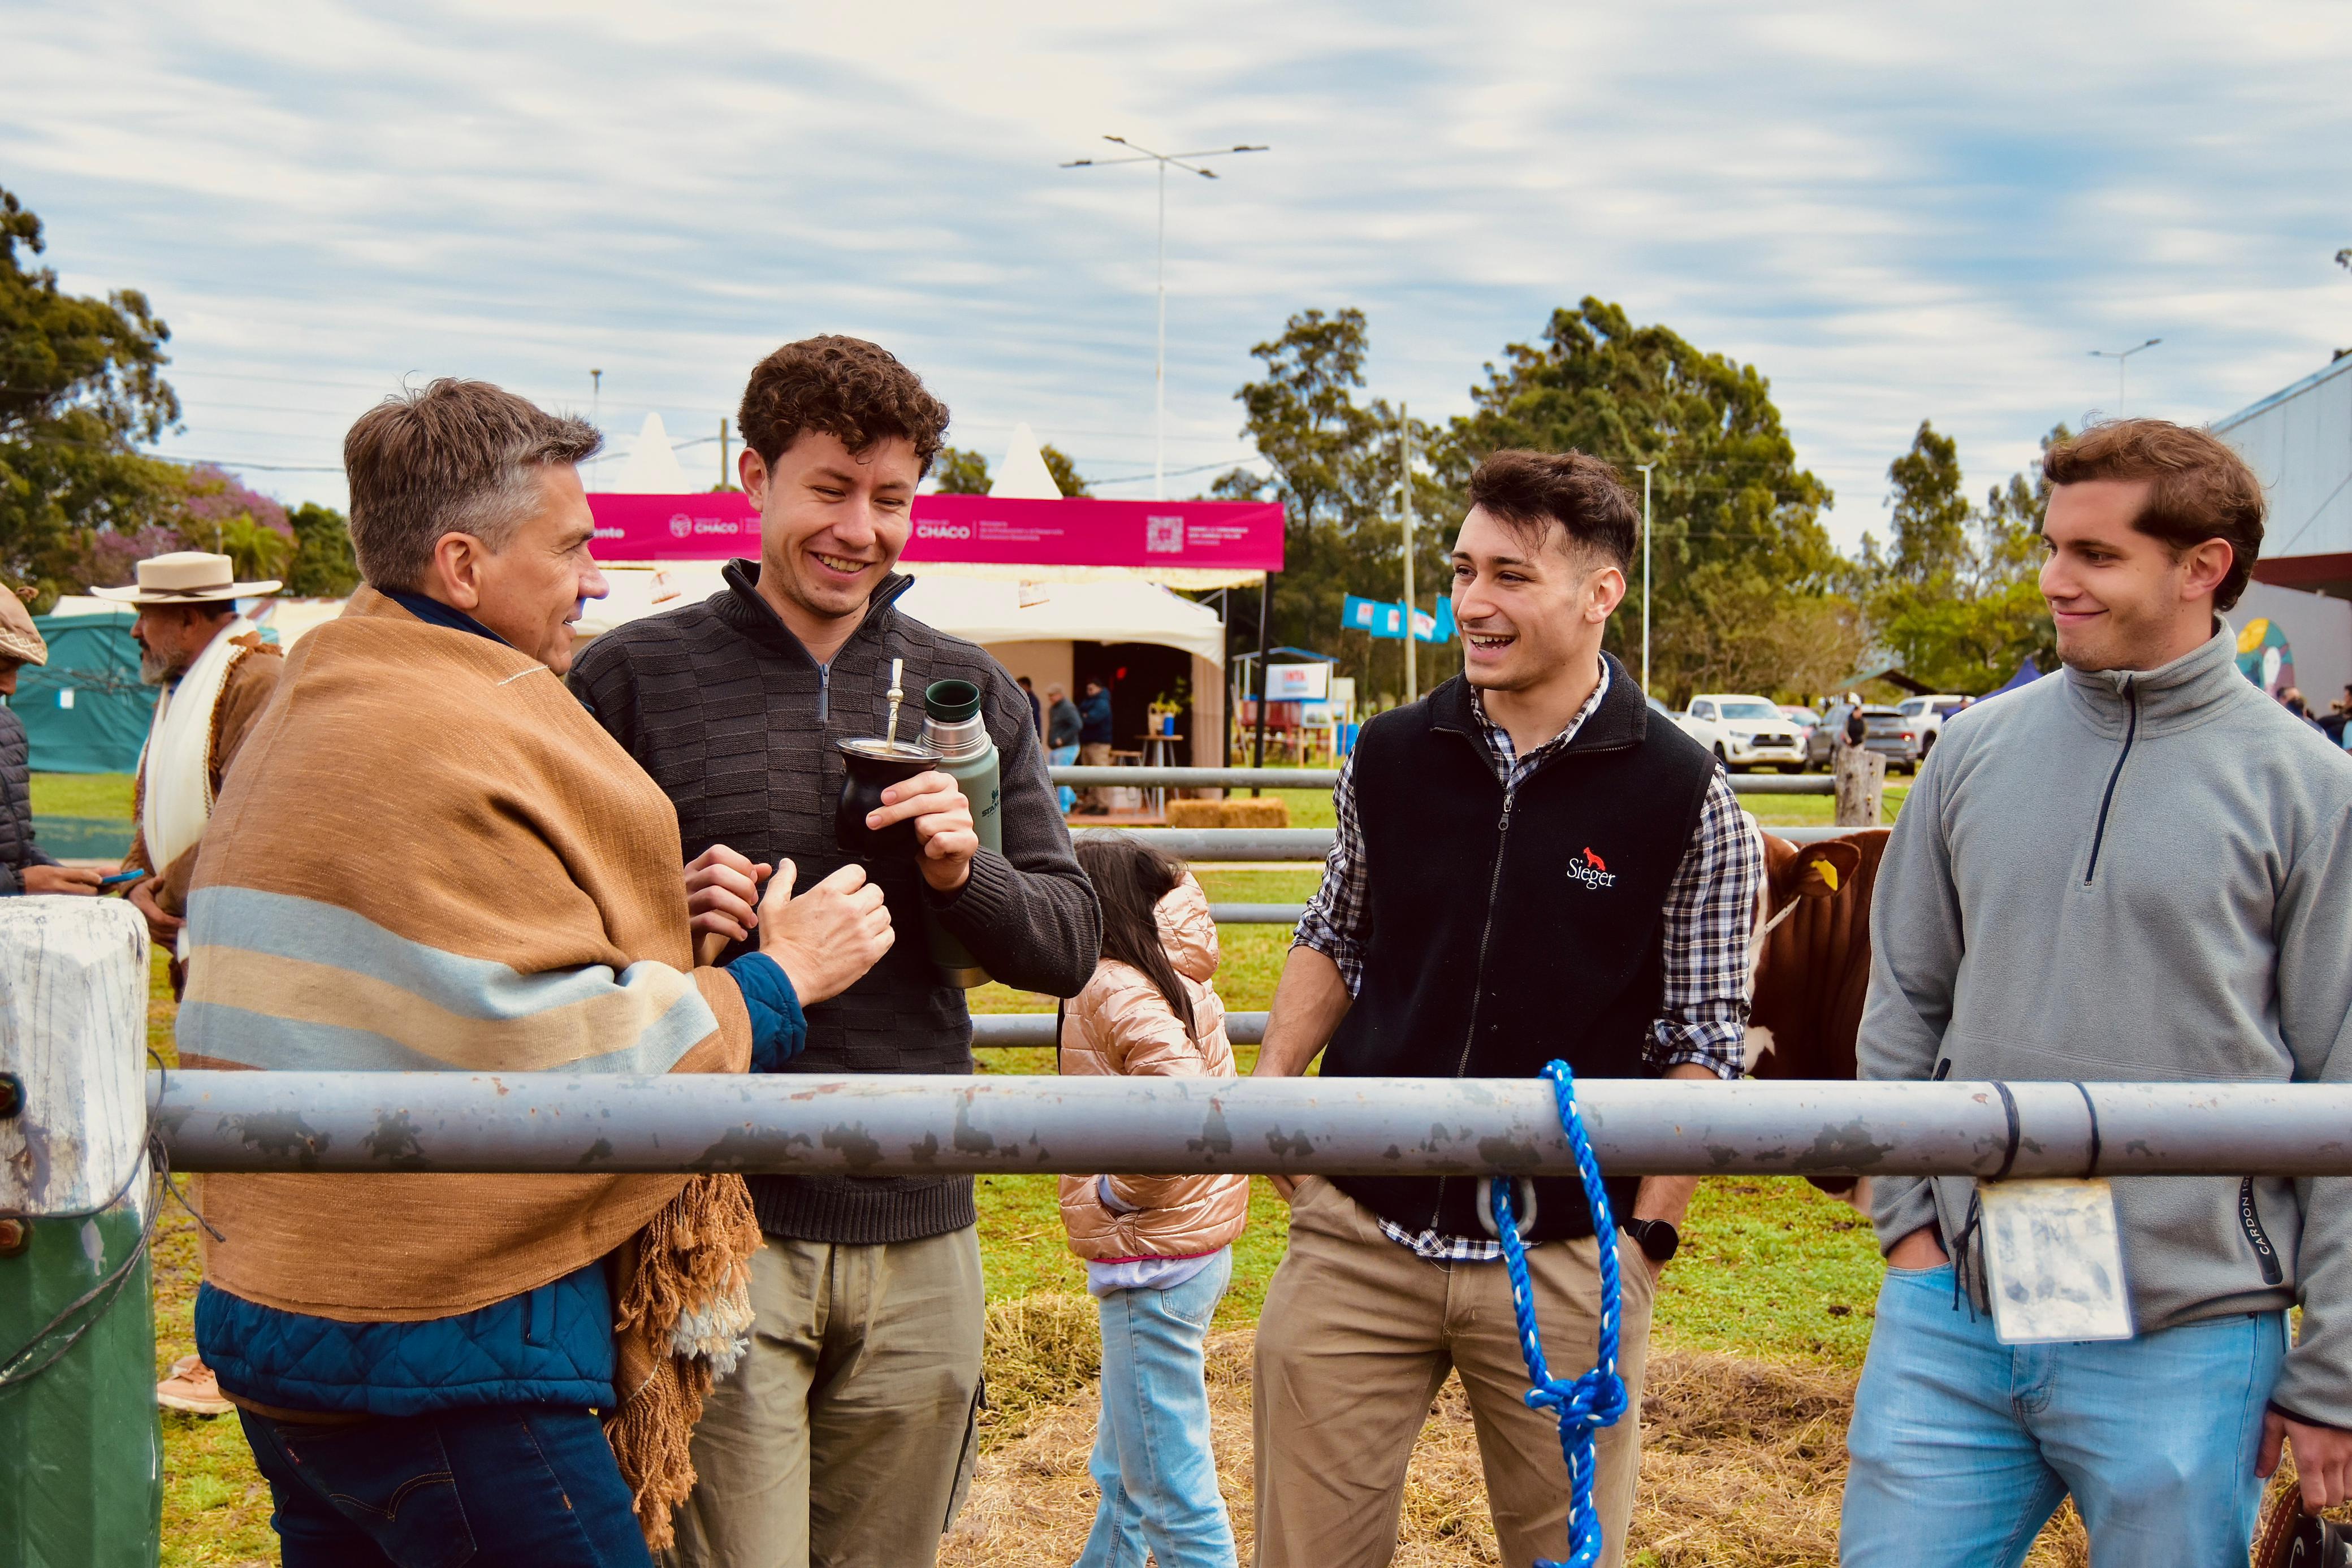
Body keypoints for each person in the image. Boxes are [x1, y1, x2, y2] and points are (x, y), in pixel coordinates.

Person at [183, 378, 896, 1567]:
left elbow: (414, 956)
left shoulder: (325, 689)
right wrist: (778, 980)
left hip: (281, 1324)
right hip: (445, 1351)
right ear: (462, 565)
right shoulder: (475, 719)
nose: (597, 578)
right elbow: (559, 1062)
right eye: (571, 547)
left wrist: (645, 916)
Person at [569, 334, 1100, 1568]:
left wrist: (969, 874)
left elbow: (1071, 944)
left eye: (892, 498)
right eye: (828, 488)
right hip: (711, 1219)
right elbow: (544, 947)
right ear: (750, 475)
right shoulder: (630, 677)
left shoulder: (971, 687)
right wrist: (664, 918)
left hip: (922, 1222)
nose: (860, 527)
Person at [1843, 419, 2352, 1567]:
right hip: (1958, 1314)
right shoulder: (1969, 753)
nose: (2051, 580)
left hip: (2190, 1332)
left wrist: (2334, 1372)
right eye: (2050, 546)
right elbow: (1903, 1005)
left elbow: (2346, 1089)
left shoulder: (2315, 797)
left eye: (2093, 554)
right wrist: (1909, 1229)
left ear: (2202, 566)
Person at [1248, 449, 1761, 1568]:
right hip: (1358, 1237)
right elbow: (1338, 931)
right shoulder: (1388, 753)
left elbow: (1702, 1041)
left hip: (1565, 1249)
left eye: (1510, 577)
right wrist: (1272, 1093)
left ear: (1600, 594)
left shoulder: (1687, 794)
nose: (1472, 604)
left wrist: (1644, 1246)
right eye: (1463, 571)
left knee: (1568, 1558)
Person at [85, 551, 287, 1418]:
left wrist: (166, 890)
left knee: (247, 1147)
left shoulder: (255, 680)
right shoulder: (190, 689)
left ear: (191, 619)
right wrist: (139, 883)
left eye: (148, 615)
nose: (136, 629)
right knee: (221, 1145)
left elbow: (256, 804)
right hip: (205, 943)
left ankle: (233, 1344)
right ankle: (232, 1338)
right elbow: (156, 815)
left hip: (247, 948)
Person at [1058, 835, 1247, 1568]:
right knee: (1128, 1464)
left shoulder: (1115, 984)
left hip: (1152, 1258)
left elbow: (1181, 1110)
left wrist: (1118, 1188)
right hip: (1190, 1247)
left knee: (1169, 1489)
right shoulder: (1171, 975)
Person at [0, 587, 101, 900]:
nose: (11, 688)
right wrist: (19, 883)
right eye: (2, 669)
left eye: (17, 671)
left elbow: (15, 845)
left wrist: (67, 877)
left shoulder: (8, 728)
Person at [1078, 677, 1115, 814]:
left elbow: (1092, 719)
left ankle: (1103, 805)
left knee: (1100, 775)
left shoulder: (1102, 703)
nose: (1089, 691)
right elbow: (1083, 717)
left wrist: (1084, 716)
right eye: (1088, 688)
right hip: (1088, 742)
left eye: (1092, 688)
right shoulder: (1089, 702)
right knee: (1090, 776)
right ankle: (1092, 803)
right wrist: (1084, 716)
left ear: (1099, 688)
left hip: (1099, 743)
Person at [1048, 681, 1083, 815]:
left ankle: (1064, 809)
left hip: (1068, 747)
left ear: (1059, 695)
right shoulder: (1054, 708)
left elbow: (1077, 725)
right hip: (1056, 748)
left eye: (1052, 695)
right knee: (1055, 778)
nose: (1050, 698)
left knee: (1062, 778)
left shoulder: (1068, 707)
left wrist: (1062, 740)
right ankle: (1073, 801)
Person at [1018, 672, 1043, 737]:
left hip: (1033, 733)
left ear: (1026, 686)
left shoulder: (1032, 700)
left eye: (1020, 686)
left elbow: (1030, 714)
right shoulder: (1026, 698)